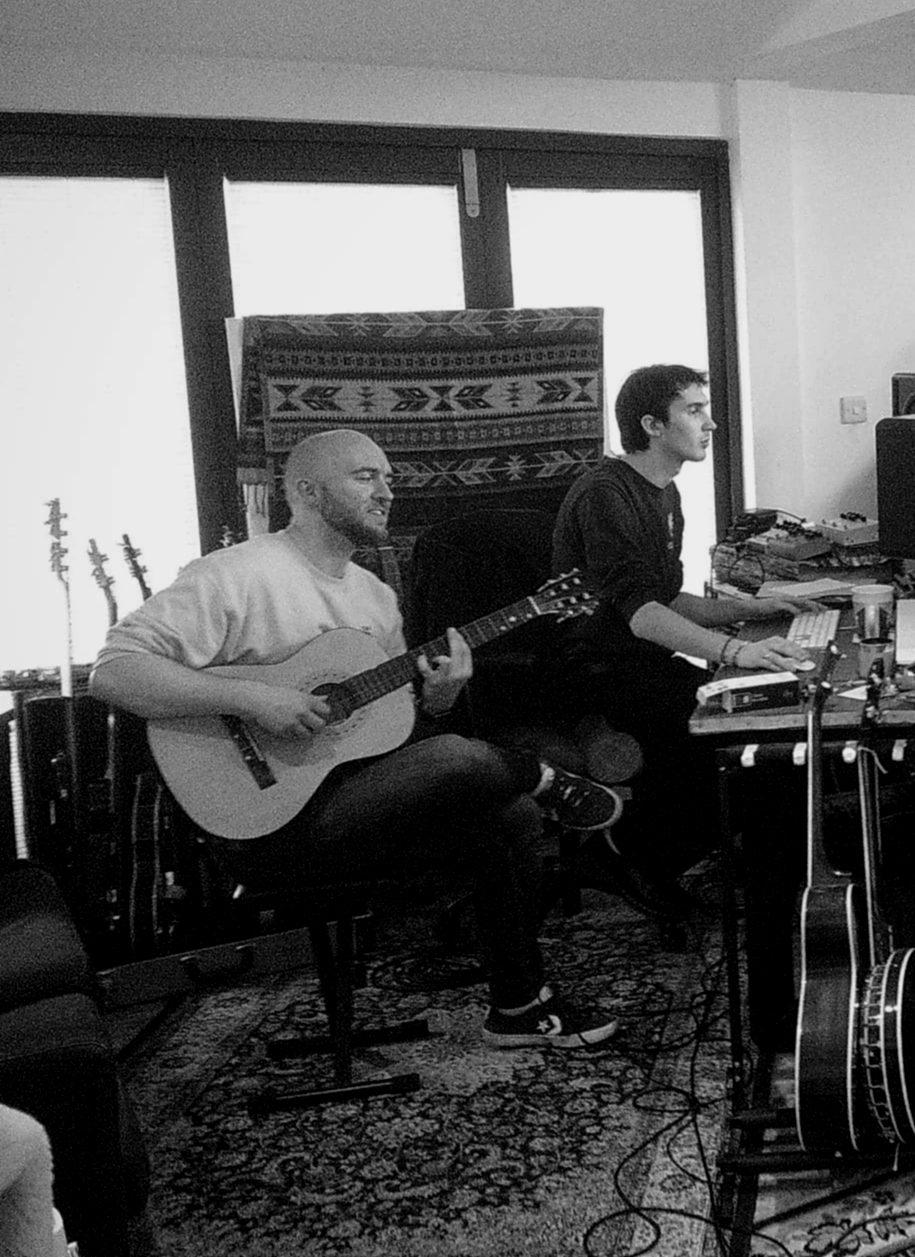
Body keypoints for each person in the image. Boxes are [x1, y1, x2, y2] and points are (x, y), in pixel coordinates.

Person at [90, 429, 627, 1050]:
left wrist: (440, 697)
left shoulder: (375, 598)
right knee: (460, 758)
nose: (386, 492)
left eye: (389, 478)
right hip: (263, 823)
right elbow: (114, 671)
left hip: (355, 802)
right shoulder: (236, 575)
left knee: (508, 815)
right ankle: (543, 776)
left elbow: (393, 733)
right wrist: (254, 699)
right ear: (307, 492)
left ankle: (518, 1006)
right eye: (365, 476)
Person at [552, 364, 816, 909]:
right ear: (652, 425)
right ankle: (624, 856)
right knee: (737, 748)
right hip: (595, 673)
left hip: (638, 661)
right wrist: (739, 649)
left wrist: (754, 609)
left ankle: (697, 859)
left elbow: (667, 599)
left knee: (755, 730)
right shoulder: (606, 494)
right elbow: (642, 615)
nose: (710, 423)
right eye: (694, 411)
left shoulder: (662, 493)